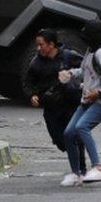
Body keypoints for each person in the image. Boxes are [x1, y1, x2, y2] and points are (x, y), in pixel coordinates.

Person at [61, 20, 101, 187]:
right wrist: (71, 74)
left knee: (82, 127)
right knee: (68, 133)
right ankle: (77, 173)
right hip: (88, 99)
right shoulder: (91, 52)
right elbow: (85, 71)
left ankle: (97, 167)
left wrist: (100, 91)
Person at [24, 29, 86, 182]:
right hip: (51, 107)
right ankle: (74, 159)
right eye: (37, 45)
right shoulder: (36, 62)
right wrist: (32, 95)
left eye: (41, 45)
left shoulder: (68, 56)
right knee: (60, 140)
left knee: (73, 136)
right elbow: (28, 82)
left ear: (51, 44)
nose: (38, 48)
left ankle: (81, 170)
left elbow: (87, 69)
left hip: (70, 104)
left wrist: (80, 82)